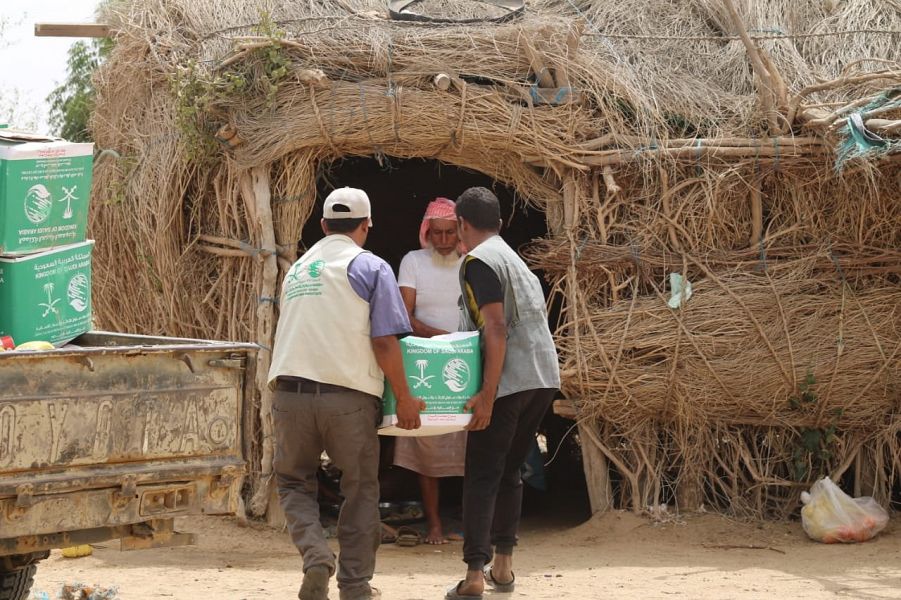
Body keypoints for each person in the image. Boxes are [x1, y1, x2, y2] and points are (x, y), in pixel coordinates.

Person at [268, 187, 425, 600]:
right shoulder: (371, 267)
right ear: (367, 225)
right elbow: (386, 342)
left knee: (292, 482)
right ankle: (355, 585)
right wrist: (405, 398)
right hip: (348, 397)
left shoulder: (297, 270)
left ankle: (316, 555)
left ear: (323, 226)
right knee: (360, 488)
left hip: (289, 393)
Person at [445, 187, 560, 600]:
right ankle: (504, 569)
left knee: (482, 474)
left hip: (509, 381)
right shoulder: (513, 258)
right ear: (500, 223)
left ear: (460, 224)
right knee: (510, 472)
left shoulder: (479, 261)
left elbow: (495, 327)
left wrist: (487, 394)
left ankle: (475, 574)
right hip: (542, 376)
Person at [393, 198, 466, 545]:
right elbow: (404, 317)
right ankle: (434, 524)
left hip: (469, 359)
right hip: (426, 361)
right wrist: (444, 338)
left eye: (450, 232)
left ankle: (470, 521)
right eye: (436, 233)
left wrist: (464, 344)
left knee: (472, 441)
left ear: (461, 231)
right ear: (427, 232)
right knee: (428, 447)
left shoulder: (473, 262)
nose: (443, 240)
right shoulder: (413, 262)